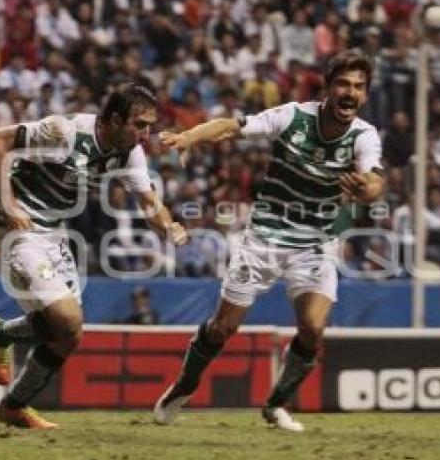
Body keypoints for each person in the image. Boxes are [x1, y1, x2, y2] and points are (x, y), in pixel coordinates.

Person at [154, 52, 385, 432]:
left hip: (315, 243)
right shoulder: (293, 117)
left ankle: (277, 404)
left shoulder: (364, 135)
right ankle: (185, 384)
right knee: (222, 329)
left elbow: (375, 179)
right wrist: (189, 136)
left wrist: (367, 188)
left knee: (313, 327)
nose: (350, 93)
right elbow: (232, 126)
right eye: (343, 84)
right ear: (327, 88)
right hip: (263, 238)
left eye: (359, 87)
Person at [0, 84, 187, 429]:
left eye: (150, 125)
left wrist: (169, 226)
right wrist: (8, 201)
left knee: (69, 336)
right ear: (115, 120)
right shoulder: (64, 132)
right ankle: (0, 336)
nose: (145, 134)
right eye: (140, 124)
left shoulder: (129, 152)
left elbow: (151, 204)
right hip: (19, 231)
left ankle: (13, 405)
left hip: (54, 235)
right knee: (67, 320)